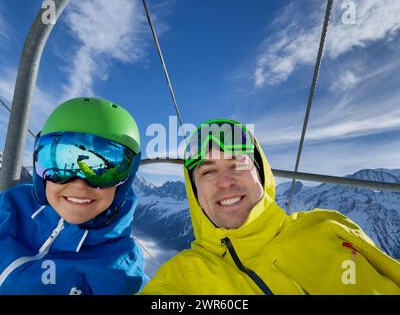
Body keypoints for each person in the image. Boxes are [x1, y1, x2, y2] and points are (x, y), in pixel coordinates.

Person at [141, 119, 400, 295]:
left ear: (261, 174)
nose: (225, 181)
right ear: (195, 194)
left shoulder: (328, 226)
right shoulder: (180, 280)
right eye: (208, 172)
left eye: (238, 164)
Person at [0, 97, 147, 294]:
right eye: (60, 166)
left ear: (124, 182)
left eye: (101, 174)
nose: (79, 184)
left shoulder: (120, 269)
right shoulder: (9, 208)